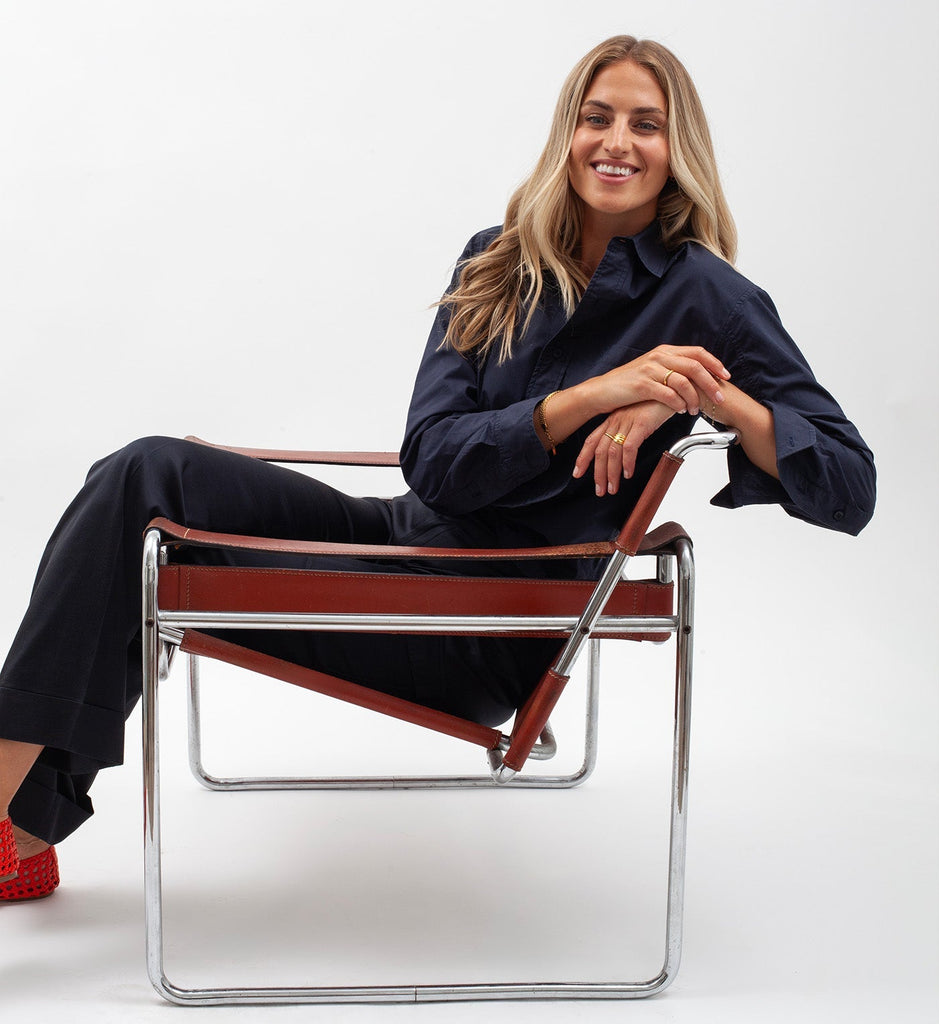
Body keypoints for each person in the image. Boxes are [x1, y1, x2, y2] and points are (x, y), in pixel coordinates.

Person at [0, 35, 875, 902]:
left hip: (480, 616)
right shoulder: (496, 258)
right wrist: (591, 396)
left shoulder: (708, 296)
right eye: (596, 117)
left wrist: (701, 391)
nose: (616, 142)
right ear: (566, 132)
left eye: (645, 125)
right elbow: (434, 462)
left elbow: (848, 486)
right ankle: (21, 831)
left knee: (144, 535)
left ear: (676, 148)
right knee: (146, 476)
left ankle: (19, 826)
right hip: (401, 538)